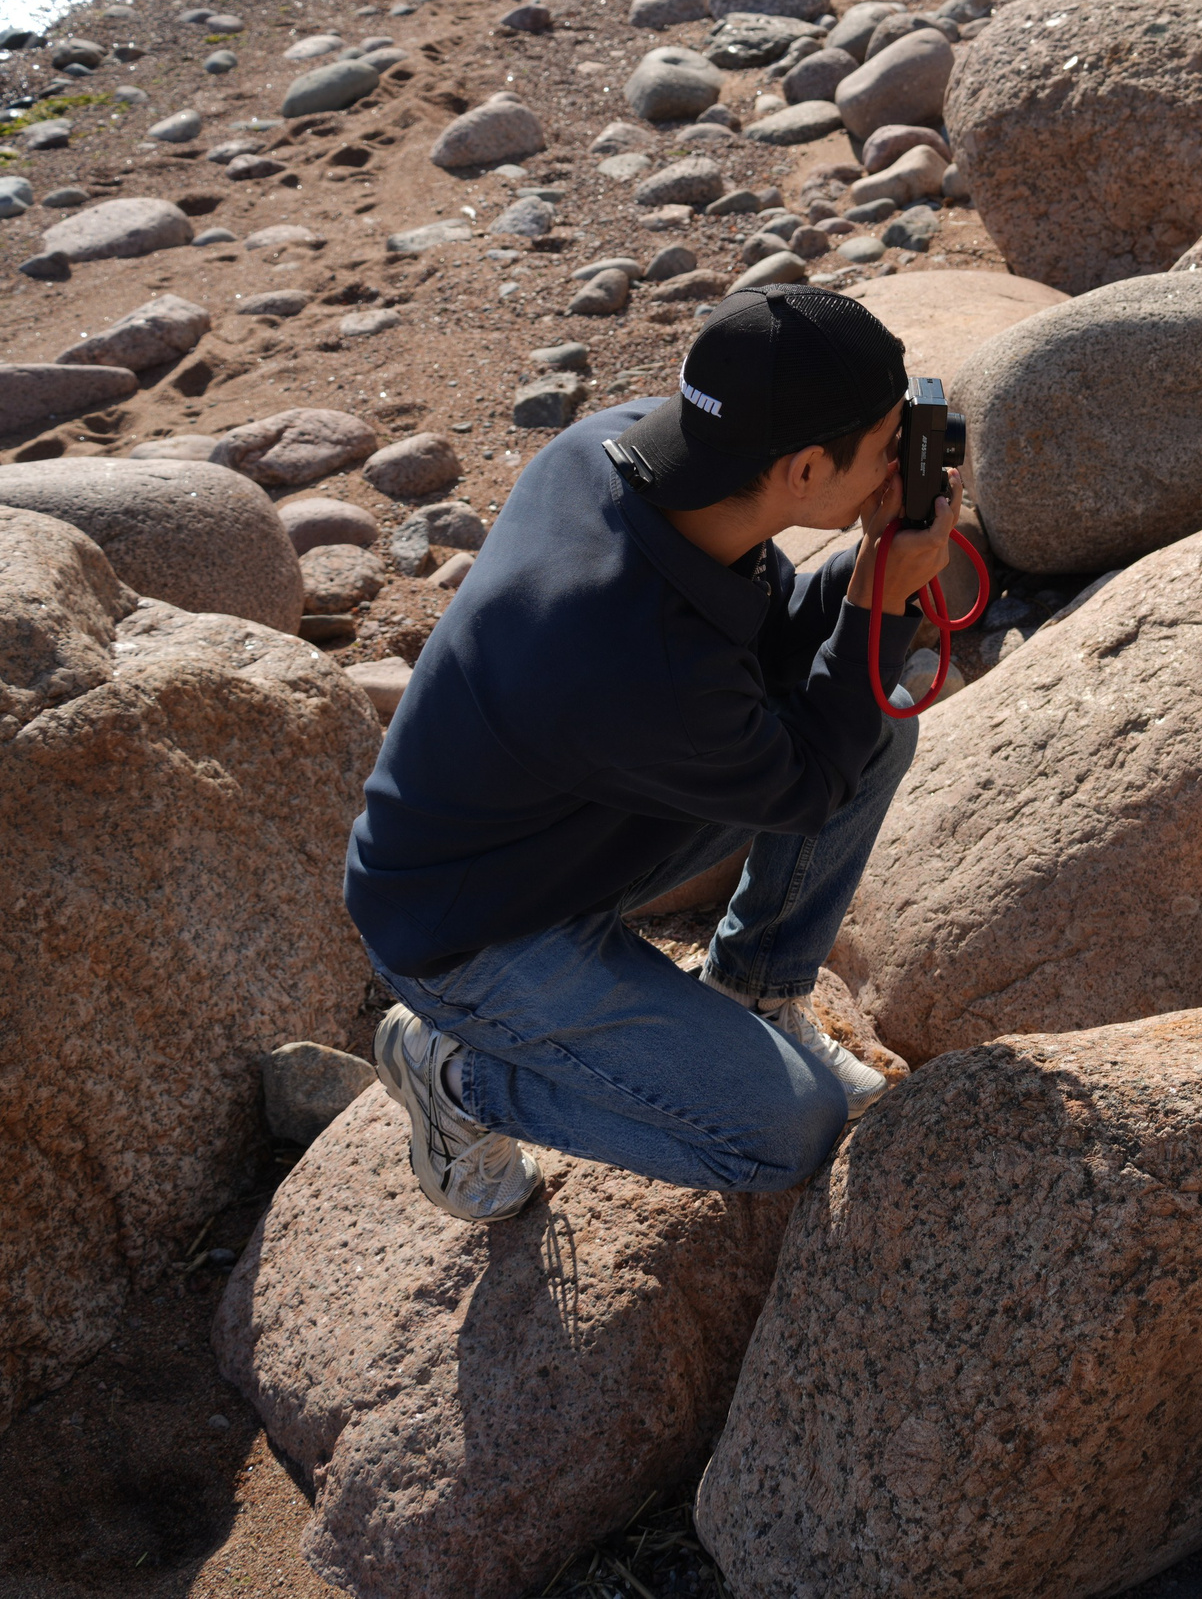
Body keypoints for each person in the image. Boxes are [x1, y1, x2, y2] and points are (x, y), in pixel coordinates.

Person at [344, 286, 959, 1223]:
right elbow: (804, 786)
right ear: (799, 470)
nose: (901, 464)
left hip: (563, 828)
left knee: (876, 713)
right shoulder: (631, 653)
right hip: (470, 934)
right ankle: (454, 1071)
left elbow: (774, 655)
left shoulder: (627, 451)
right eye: (888, 448)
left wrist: (865, 571)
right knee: (786, 1135)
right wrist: (879, 601)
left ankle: (755, 990)